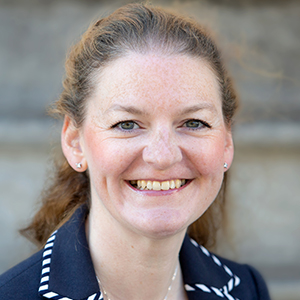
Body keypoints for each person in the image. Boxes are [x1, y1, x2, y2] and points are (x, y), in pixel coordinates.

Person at [0, 3, 270, 300]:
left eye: (194, 122)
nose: (163, 155)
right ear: (75, 142)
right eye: (127, 124)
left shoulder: (246, 289)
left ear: (227, 143)